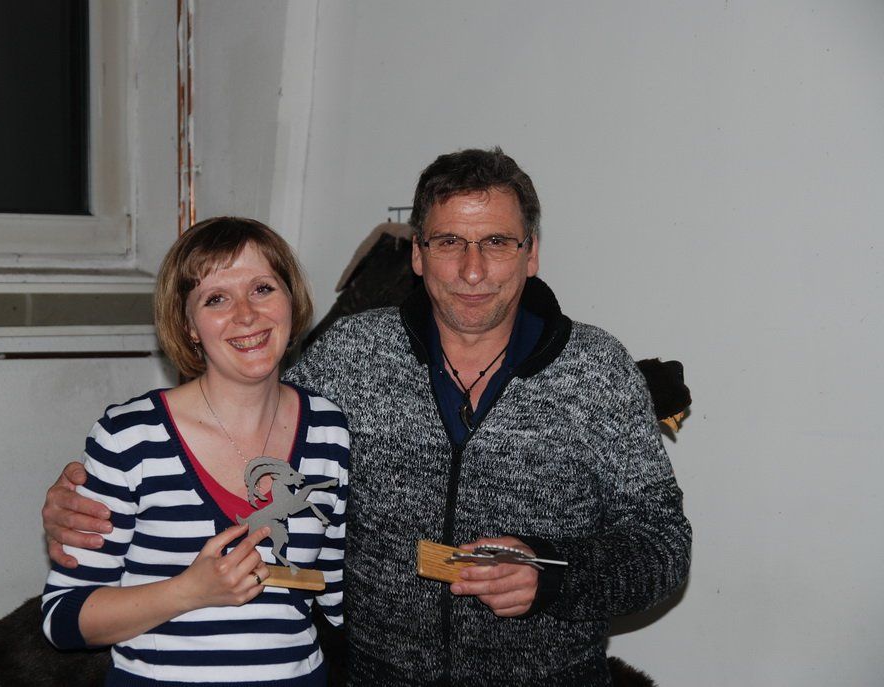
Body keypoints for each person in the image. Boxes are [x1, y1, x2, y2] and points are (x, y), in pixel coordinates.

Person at [44, 148, 691, 685]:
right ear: (417, 254)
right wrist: (79, 505)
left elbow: (664, 544)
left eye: (497, 242)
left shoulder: (597, 370)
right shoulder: (350, 355)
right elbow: (239, 435)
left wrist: (553, 575)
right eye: (448, 242)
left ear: (532, 252)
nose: (472, 270)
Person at [42, 217, 349, 686]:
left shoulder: (329, 428)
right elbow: (64, 618)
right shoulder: (130, 437)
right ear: (188, 326)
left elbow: (336, 590)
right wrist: (190, 591)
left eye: (263, 288)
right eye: (216, 299)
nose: (246, 315)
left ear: (291, 300)